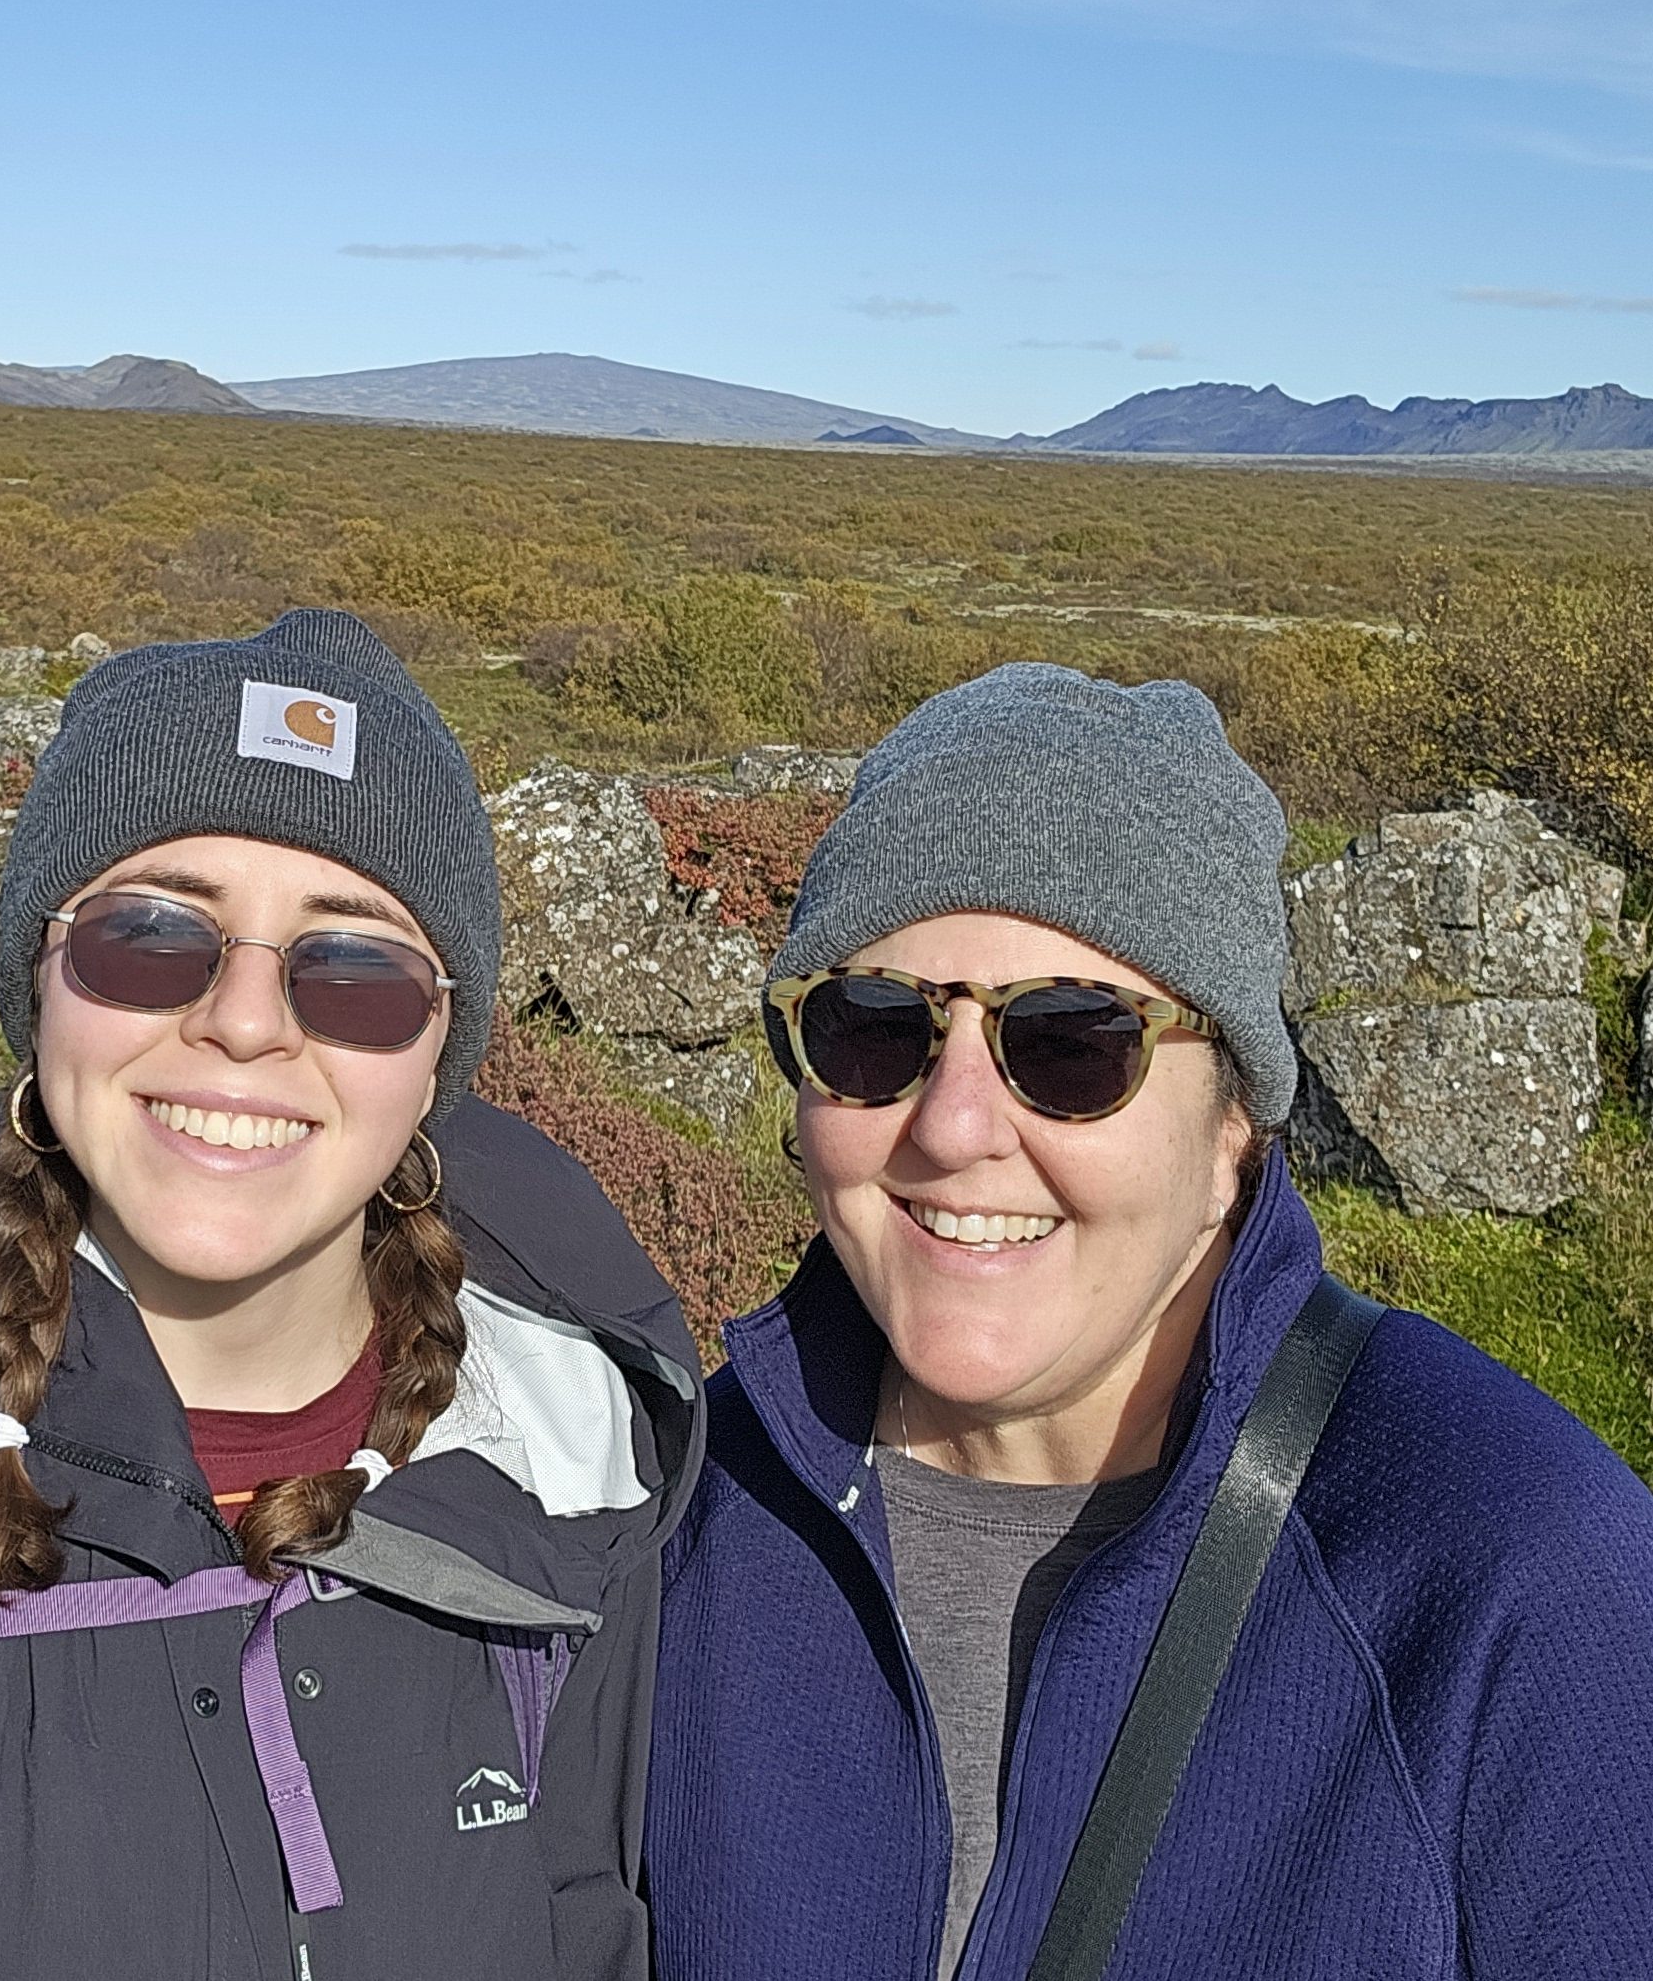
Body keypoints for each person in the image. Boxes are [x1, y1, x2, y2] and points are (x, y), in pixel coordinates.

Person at [0, 608, 702, 1979]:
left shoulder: (579, 1483)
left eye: (355, 970)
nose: (242, 1023)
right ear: (40, 987)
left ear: (438, 1055)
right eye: (148, 937)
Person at [647, 665, 1653, 1980]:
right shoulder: (673, 1524)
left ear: (1235, 1123)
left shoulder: (1516, 1573)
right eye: (874, 1029)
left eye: (1071, 1043)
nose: (952, 1128)